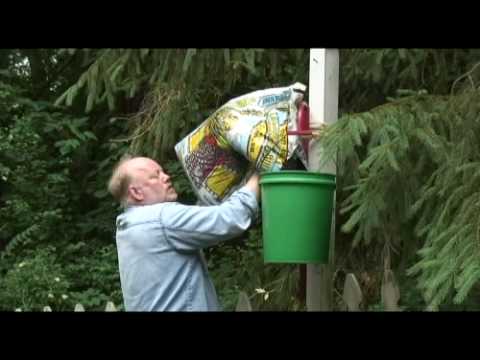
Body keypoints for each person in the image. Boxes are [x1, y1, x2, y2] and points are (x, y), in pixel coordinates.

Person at [107, 155, 260, 311]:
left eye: (163, 172)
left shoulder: (128, 225)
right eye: (155, 176)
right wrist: (259, 173)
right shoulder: (162, 218)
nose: (166, 177)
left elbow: (199, 218)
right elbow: (230, 218)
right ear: (137, 193)